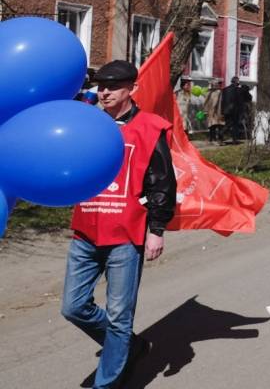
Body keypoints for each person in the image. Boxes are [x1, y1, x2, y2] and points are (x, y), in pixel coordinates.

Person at [61, 60, 176, 389]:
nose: (105, 92)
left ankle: (107, 382)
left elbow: (162, 184)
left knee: (118, 316)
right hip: (85, 229)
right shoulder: (88, 124)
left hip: (126, 236)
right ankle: (128, 345)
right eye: (101, 86)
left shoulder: (150, 127)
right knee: (73, 306)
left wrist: (156, 230)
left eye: (113, 87)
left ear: (132, 89)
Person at [220, 76, 244, 143]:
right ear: (236, 82)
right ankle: (234, 139)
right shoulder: (238, 90)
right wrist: (241, 110)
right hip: (235, 111)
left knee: (228, 124)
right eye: (238, 81)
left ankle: (221, 133)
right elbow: (240, 101)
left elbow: (222, 101)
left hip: (226, 111)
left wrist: (222, 111)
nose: (239, 83)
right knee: (235, 125)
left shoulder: (225, 89)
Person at [203, 78, 225, 144]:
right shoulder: (217, 92)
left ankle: (213, 139)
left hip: (214, 111)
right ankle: (216, 139)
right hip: (215, 111)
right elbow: (216, 102)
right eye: (218, 83)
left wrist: (205, 110)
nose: (219, 85)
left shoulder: (209, 92)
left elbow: (206, 102)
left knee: (214, 126)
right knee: (216, 126)